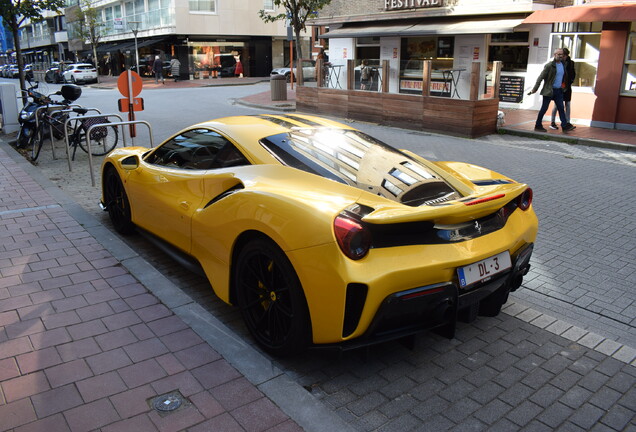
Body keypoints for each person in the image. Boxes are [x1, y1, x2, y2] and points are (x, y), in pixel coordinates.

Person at [528, 48, 575, 132]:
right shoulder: (549, 65)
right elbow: (540, 77)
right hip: (549, 90)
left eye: (561, 54)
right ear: (554, 55)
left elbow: (565, 77)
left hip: (559, 91)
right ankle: (538, 125)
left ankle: (564, 126)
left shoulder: (563, 64)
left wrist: (564, 87)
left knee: (561, 108)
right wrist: (535, 88)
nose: (560, 56)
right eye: (558, 54)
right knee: (544, 108)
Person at [550, 47, 575, 129]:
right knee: (556, 105)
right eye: (562, 55)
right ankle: (552, 122)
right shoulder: (558, 63)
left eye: (565, 55)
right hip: (559, 87)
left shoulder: (571, 63)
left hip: (567, 87)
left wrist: (570, 81)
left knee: (567, 104)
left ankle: (567, 122)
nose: (563, 57)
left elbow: (573, 74)